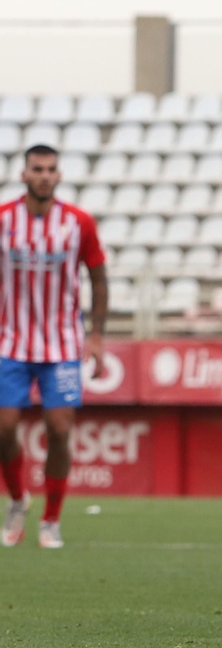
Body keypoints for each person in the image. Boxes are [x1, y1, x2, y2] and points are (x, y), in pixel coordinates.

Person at [0, 144, 108, 550]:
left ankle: (51, 519)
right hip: (9, 341)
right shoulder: (4, 220)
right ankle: (16, 500)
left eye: (51, 169)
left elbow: (99, 280)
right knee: (4, 428)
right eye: (37, 169)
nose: (44, 175)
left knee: (59, 430)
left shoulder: (78, 223)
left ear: (59, 175)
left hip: (61, 344)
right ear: (24, 175)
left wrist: (95, 336)